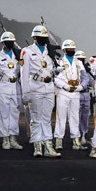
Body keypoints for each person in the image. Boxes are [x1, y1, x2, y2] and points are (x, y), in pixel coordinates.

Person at [21, 25, 61, 158]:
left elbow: (52, 68)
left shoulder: (49, 51)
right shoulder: (27, 51)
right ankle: (37, 144)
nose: (43, 40)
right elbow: (24, 73)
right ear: (34, 38)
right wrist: (25, 93)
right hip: (35, 87)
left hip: (48, 87)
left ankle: (48, 145)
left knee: (47, 118)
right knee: (36, 118)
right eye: (40, 37)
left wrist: (57, 70)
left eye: (44, 37)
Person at [53, 40, 87, 151]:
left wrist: (82, 87)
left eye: (73, 49)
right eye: (69, 49)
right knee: (61, 117)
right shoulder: (59, 61)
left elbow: (85, 77)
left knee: (75, 117)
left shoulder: (79, 62)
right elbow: (55, 78)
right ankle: (59, 139)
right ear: (64, 50)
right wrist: (64, 86)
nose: (71, 51)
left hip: (76, 92)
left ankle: (75, 140)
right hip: (63, 92)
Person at [0, 31, 23, 150]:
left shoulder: (17, 55)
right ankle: (5, 139)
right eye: (8, 42)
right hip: (3, 87)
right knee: (4, 115)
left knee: (15, 115)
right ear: (2, 43)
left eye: (11, 42)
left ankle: (13, 138)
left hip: (15, 88)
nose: (10, 44)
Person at [76, 50, 93, 146]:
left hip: (86, 94)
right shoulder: (73, 69)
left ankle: (84, 135)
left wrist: (87, 72)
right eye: (79, 59)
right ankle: (77, 136)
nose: (81, 61)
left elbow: (91, 82)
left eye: (82, 60)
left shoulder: (86, 70)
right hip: (77, 94)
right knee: (76, 116)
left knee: (85, 117)